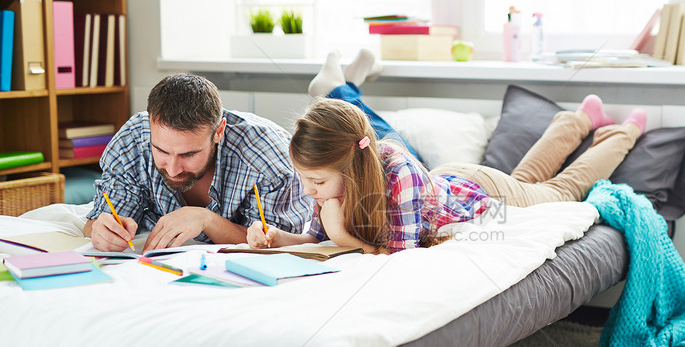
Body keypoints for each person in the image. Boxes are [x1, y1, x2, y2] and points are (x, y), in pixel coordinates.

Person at [245, 51, 646, 254]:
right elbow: (312, 239)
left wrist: (343, 237)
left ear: (350, 167)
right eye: (306, 181)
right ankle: (577, 119)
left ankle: (623, 132)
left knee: (558, 191)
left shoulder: (398, 176)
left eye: (315, 182)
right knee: (527, 181)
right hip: (450, 180)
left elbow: (399, 256)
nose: (309, 191)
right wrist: (275, 238)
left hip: (481, 192)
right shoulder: (331, 186)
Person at [84, 73, 314, 253]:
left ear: (219, 132)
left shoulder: (267, 157)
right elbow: (99, 221)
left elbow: (280, 243)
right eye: (161, 150)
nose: (172, 169)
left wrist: (206, 220)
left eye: (188, 154)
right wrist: (100, 231)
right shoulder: (133, 141)